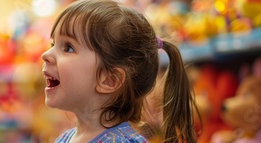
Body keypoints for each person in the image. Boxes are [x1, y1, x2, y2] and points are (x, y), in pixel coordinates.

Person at [40, 0, 198, 142]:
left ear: (110, 80)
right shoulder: (64, 138)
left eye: (68, 48)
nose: (46, 55)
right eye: (53, 44)